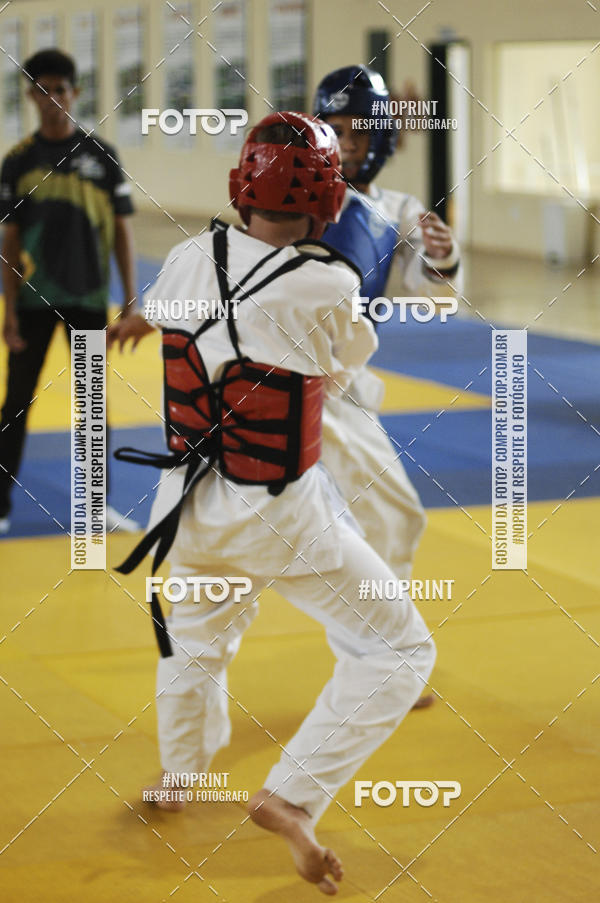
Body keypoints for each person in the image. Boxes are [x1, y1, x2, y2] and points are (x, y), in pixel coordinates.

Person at [108, 112, 436, 895]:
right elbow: (350, 364)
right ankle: (292, 794)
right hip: (284, 518)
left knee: (195, 642)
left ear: (240, 185)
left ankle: (179, 772)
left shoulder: (187, 256)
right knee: (399, 650)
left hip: (183, 510)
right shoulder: (332, 282)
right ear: (328, 200)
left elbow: (160, 313)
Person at [311, 63, 463, 640]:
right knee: (246, 540)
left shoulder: (398, 210)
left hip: (339, 387)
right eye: (337, 130)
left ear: (380, 137)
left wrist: (440, 260)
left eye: (360, 132)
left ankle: (378, 651)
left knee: (390, 518)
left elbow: (432, 299)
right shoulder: (297, 189)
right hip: (273, 376)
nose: (348, 145)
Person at [0, 48, 138, 534]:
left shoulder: (102, 156)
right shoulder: (17, 162)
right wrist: (9, 308)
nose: (52, 97)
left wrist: (132, 297)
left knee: (91, 404)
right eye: (42, 88)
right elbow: (10, 238)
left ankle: (95, 506)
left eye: (61, 88)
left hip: (88, 300)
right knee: (15, 404)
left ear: (74, 94)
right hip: (33, 301)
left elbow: (122, 231)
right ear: (32, 95)